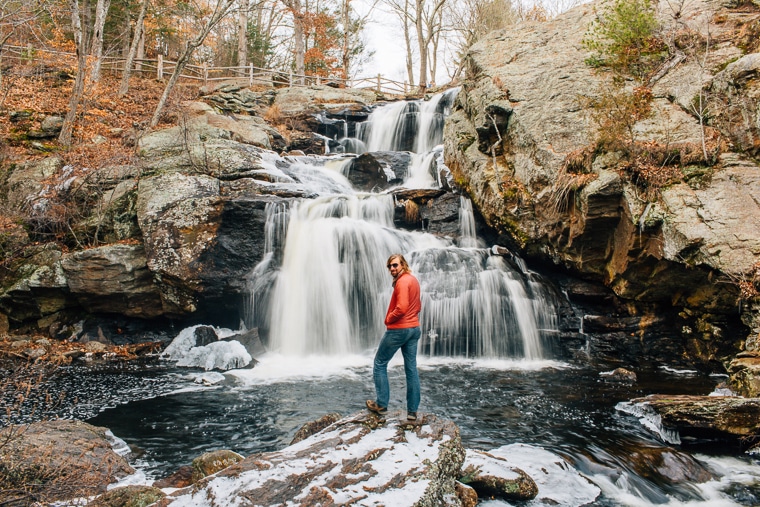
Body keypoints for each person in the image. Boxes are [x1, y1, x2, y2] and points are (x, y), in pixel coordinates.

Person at [366, 253, 422, 421]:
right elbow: (417, 305)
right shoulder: (413, 280)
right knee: (411, 369)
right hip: (414, 328)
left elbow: (402, 307)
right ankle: (412, 412)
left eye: (395, 265)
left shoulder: (402, 282)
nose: (392, 268)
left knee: (380, 363)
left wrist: (389, 318)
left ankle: (381, 404)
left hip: (399, 330)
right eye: (390, 266)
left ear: (403, 265)